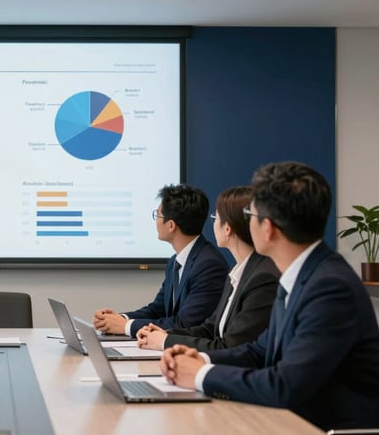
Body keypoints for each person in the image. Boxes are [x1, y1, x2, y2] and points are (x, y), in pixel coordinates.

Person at [161, 162, 379, 430]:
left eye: (250, 214)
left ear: (269, 228)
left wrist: (200, 375)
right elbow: (258, 351)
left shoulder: (330, 288)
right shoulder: (301, 274)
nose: (246, 222)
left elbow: (285, 386)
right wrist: (201, 359)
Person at [137, 186, 279, 351]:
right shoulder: (237, 274)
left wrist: (165, 341)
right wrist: (163, 335)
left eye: (215, 218)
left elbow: (230, 346)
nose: (212, 223)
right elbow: (209, 329)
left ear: (227, 229)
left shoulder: (261, 277)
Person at [94, 184, 228, 337]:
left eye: (158, 215)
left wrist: (126, 326)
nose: (156, 221)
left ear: (171, 225)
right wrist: (119, 319)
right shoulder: (175, 262)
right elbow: (157, 310)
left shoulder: (209, 265)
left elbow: (184, 324)